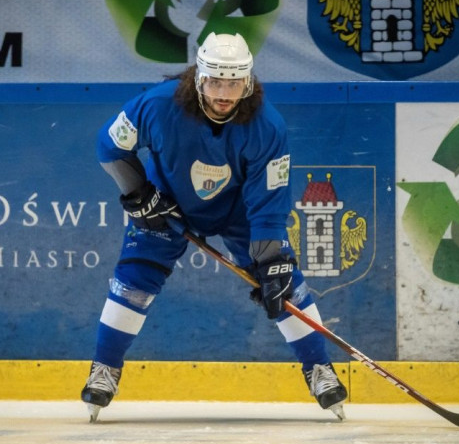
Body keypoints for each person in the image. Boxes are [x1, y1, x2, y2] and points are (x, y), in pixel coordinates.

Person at [81, 32, 347, 422]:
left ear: (249, 81)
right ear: (198, 78)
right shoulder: (157, 104)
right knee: (137, 276)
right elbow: (109, 145)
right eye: (216, 81)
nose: (224, 93)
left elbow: (269, 198)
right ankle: (104, 369)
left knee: (281, 279)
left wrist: (270, 260)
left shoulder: (267, 126)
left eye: (234, 82)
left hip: (237, 210)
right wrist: (138, 193)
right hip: (167, 204)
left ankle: (319, 368)